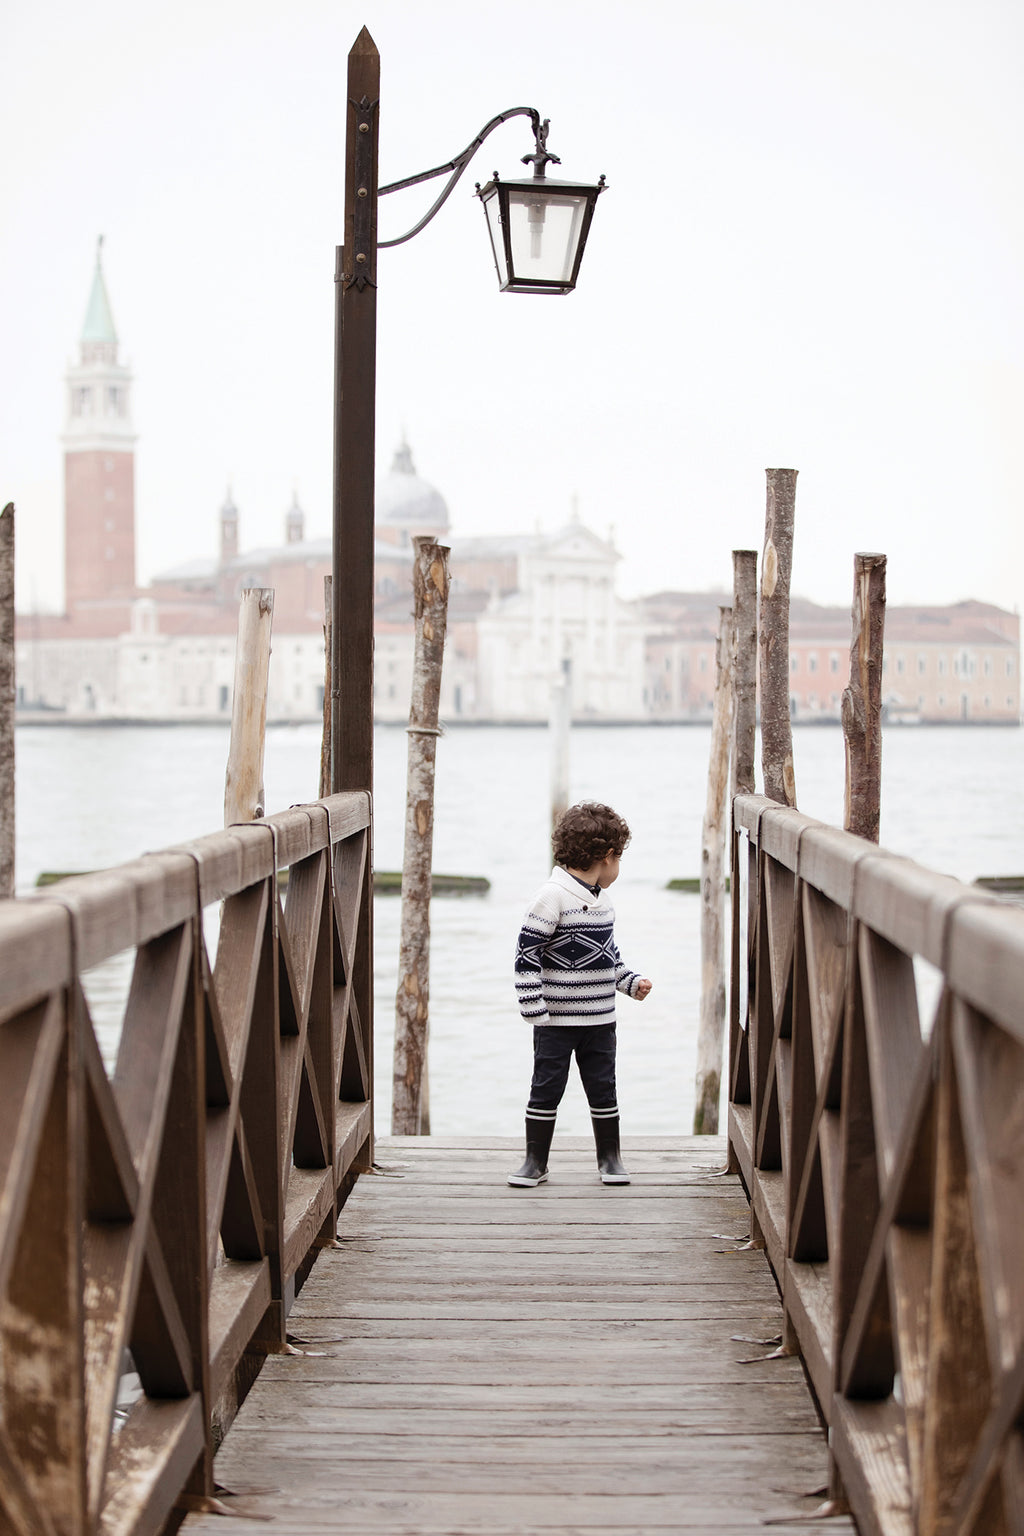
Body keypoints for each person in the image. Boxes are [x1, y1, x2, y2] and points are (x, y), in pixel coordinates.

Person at [509, 801, 652, 1188]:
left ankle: (610, 1158)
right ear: (607, 857)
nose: (618, 868)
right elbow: (526, 955)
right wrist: (532, 1006)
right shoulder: (551, 897)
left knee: (604, 1088)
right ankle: (534, 1161)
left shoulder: (603, 904)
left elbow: (608, 959)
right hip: (555, 1022)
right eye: (619, 859)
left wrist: (629, 982)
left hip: (600, 1022)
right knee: (546, 1088)